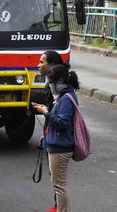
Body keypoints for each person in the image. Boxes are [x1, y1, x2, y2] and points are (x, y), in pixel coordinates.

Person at [32, 65, 80, 212]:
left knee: (59, 185)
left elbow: (61, 123)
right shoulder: (64, 96)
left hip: (60, 147)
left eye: (51, 82)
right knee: (59, 184)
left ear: (60, 81)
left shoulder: (66, 99)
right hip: (58, 144)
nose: (51, 85)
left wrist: (46, 112)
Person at [37, 50, 67, 212]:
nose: (38, 65)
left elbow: (60, 118)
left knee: (59, 181)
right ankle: (57, 206)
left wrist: (45, 112)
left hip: (59, 139)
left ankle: (59, 207)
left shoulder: (63, 93)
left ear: (52, 65)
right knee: (55, 178)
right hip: (51, 133)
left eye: (42, 62)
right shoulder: (51, 84)